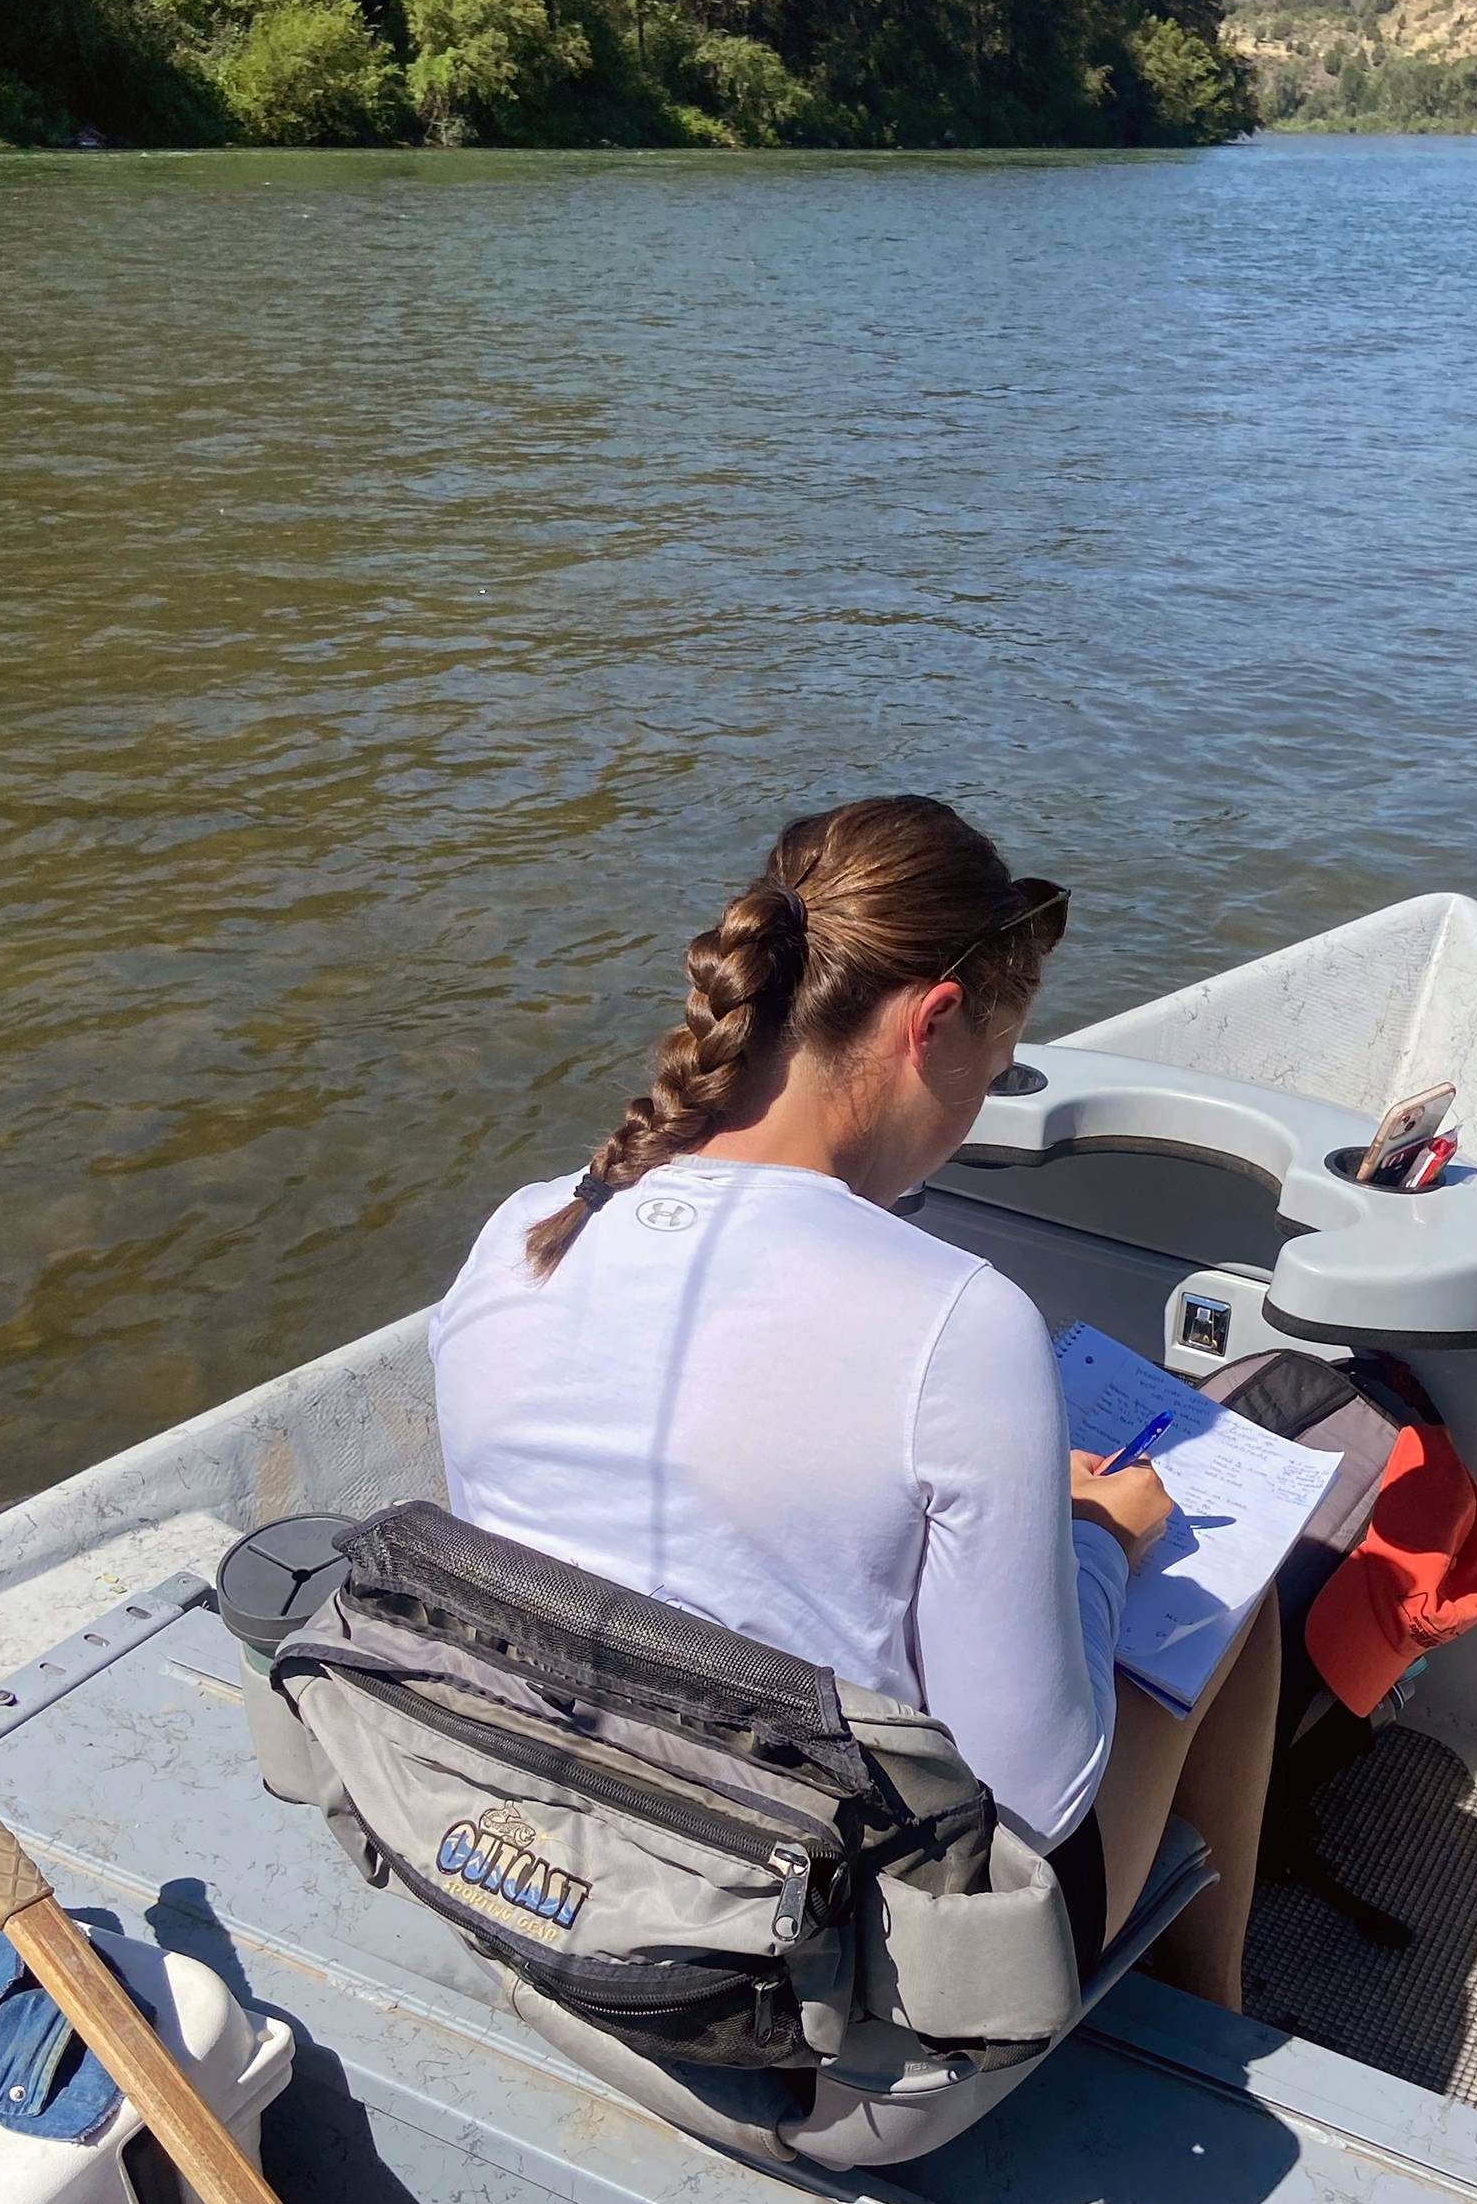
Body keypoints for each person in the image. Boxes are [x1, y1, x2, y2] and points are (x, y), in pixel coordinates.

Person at [429, 795, 1279, 2010]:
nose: (969, 1115)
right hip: (825, 2005)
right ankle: (1214, 2015)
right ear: (933, 1023)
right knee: (1221, 1599)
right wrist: (1099, 1544)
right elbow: (1034, 1796)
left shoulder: (522, 1229)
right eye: (984, 1076)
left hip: (542, 1867)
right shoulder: (957, 1319)